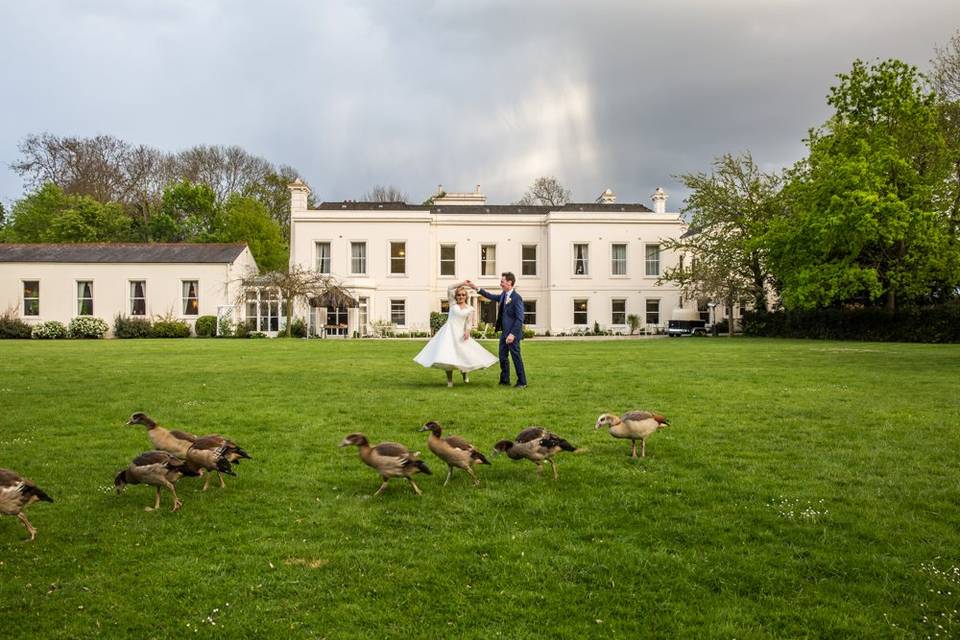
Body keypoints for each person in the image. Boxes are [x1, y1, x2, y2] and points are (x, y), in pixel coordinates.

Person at [413, 283, 497, 387]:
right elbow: (449, 288)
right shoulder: (452, 304)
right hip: (448, 333)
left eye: (463, 295)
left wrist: (467, 331)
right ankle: (449, 381)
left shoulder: (470, 309)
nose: (461, 297)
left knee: (463, 355)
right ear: (455, 296)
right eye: (458, 295)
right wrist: (464, 283)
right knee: (448, 357)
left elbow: (469, 322)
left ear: (466, 296)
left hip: (460, 334)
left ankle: (465, 374)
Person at [467, 272, 527, 388]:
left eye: (502, 282)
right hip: (504, 334)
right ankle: (504, 380)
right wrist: (476, 288)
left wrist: (512, 334)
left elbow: (520, 319)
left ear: (509, 282)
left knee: (516, 357)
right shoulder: (503, 295)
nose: (500, 284)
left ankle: (522, 382)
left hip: (512, 335)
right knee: (502, 357)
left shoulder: (516, 298)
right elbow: (490, 296)